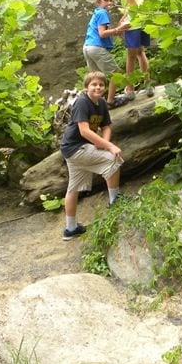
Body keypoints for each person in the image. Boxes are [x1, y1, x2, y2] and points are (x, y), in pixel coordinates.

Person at [59, 71, 123, 240]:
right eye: (94, 84)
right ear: (86, 87)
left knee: (73, 188)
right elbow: (84, 131)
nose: (98, 87)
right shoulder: (81, 102)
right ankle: (115, 200)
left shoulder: (101, 103)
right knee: (113, 159)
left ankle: (70, 229)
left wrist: (104, 143)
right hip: (75, 147)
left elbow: (107, 126)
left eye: (101, 85)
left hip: (79, 148)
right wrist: (109, 147)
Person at [105, 0, 154, 99]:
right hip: (143, 18)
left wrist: (125, 22)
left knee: (131, 56)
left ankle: (130, 88)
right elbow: (136, 2)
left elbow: (133, 5)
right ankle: (148, 84)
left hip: (133, 23)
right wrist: (121, 19)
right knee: (141, 52)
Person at [82, 0, 131, 108]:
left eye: (111, 0)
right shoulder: (103, 13)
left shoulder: (97, 12)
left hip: (88, 47)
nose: (109, 3)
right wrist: (118, 30)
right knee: (116, 74)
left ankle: (93, 103)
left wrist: (116, 31)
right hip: (96, 48)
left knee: (95, 77)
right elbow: (102, 33)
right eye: (106, 0)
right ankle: (110, 101)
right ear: (98, 2)